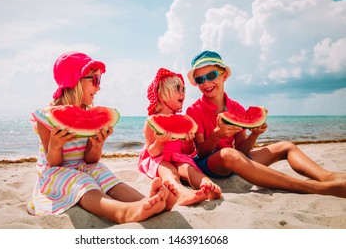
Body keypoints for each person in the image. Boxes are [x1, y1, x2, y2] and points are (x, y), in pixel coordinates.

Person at [28, 51, 177, 224]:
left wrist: (97, 145)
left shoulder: (89, 115)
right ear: (75, 81)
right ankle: (121, 212)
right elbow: (53, 163)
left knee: (102, 172)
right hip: (55, 173)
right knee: (81, 180)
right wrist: (55, 146)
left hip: (83, 166)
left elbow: (91, 160)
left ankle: (146, 201)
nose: (98, 87)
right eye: (95, 80)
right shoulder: (45, 117)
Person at [186, 50, 346, 198]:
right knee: (229, 153)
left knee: (286, 146)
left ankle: (327, 177)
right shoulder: (194, 110)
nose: (206, 83)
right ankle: (310, 187)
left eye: (211, 75)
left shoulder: (236, 108)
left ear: (224, 75)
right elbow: (201, 151)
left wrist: (255, 134)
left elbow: (242, 150)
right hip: (210, 165)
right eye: (200, 80)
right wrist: (216, 136)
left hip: (237, 161)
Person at [138, 68, 222, 206]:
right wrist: (159, 142)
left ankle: (207, 185)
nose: (182, 93)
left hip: (178, 157)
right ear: (162, 94)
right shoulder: (151, 121)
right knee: (168, 170)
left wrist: (188, 142)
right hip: (158, 159)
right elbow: (151, 152)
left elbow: (187, 152)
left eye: (183, 89)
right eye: (177, 89)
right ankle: (181, 193)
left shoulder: (183, 120)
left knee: (188, 168)